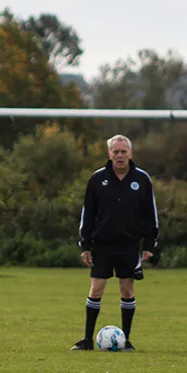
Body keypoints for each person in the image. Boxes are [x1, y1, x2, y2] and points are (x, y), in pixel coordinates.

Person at [73, 134, 158, 351]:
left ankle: (126, 340)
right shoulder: (97, 179)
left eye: (123, 152)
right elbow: (88, 214)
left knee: (127, 290)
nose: (120, 156)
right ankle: (87, 340)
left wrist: (149, 243)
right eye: (115, 152)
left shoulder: (142, 179)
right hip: (102, 244)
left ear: (130, 153)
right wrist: (85, 244)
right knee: (96, 288)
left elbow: (151, 214)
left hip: (128, 244)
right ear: (109, 154)